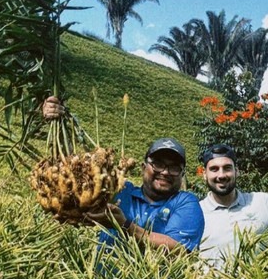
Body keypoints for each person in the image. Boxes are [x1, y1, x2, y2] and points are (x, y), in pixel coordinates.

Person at [42, 97, 204, 252]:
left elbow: (179, 249)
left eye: (174, 167)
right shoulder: (120, 190)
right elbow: (76, 187)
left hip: (150, 274)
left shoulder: (185, 202)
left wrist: (124, 225)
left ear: (182, 174)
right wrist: (57, 121)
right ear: (143, 167)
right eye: (158, 164)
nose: (165, 172)